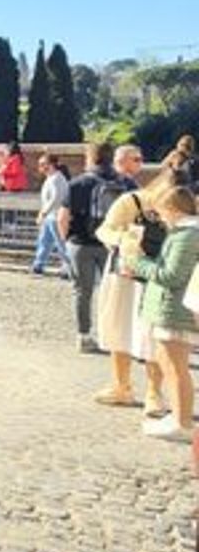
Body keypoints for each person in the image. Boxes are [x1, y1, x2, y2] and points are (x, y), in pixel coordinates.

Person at [92, 166, 177, 414]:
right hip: (124, 274)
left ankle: (154, 392)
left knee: (152, 334)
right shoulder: (130, 201)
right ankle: (121, 385)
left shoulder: (181, 205)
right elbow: (104, 230)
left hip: (156, 277)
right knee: (119, 326)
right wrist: (123, 239)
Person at [125, 186, 199, 441]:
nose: (160, 217)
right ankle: (179, 415)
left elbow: (171, 275)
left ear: (173, 210)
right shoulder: (184, 234)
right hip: (169, 307)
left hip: (175, 309)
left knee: (176, 367)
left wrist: (137, 262)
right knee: (169, 365)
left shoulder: (187, 236)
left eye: (161, 212)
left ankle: (183, 422)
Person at [59, 143, 122, 354]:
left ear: (90, 158)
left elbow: (63, 217)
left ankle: (84, 336)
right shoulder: (125, 183)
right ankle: (114, 336)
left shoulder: (77, 183)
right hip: (112, 244)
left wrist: (67, 240)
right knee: (113, 291)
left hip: (81, 243)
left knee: (82, 292)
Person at [31, 152, 73, 277]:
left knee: (61, 243)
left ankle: (67, 267)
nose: (41, 167)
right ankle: (38, 264)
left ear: (52, 164)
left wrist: (43, 212)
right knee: (44, 241)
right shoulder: (51, 178)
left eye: (44, 164)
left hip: (56, 216)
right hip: (51, 216)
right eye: (40, 164)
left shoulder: (57, 178)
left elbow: (56, 198)